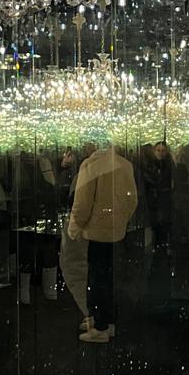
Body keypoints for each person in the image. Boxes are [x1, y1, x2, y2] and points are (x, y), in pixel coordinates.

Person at [68, 139, 138, 343]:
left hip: (96, 231)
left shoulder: (91, 165)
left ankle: (100, 326)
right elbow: (132, 199)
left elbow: (82, 203)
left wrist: (74, 227)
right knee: (109, 276)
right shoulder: (125, 165)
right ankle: (107, 319)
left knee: (97, 277)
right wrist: (121, 220)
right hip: (116, 231)